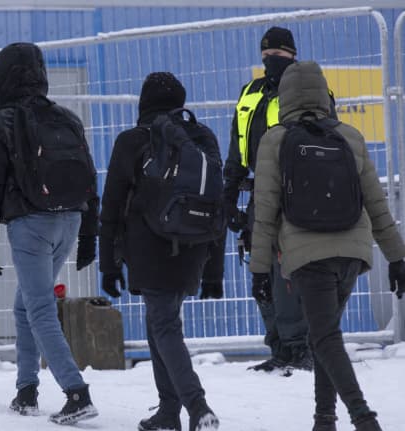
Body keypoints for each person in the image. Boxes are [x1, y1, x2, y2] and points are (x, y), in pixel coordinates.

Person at [250, 60, 405, 431]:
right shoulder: (349, 136)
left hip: (307, 256)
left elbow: (265, 211)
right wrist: (396, 257)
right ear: (325, 94)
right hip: (352, 252)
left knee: (324, 336)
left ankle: (363, 418)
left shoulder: (275, 139)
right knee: (325, 333)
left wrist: (259, 271)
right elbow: (377, 203)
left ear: (285, 97)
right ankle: (324, 419)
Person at [0, 42, 100, 425]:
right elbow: (90, 179)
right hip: (70, 221)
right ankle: (26, 390)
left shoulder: (0, 122)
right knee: (24, 305)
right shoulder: (66, 117)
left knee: (40, 308)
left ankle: (77, 394)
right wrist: (88, 238)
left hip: (31, 224)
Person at [99, 72, 220, 431]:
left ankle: (197, 408)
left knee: (164, 324)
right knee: (160, 321)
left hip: (149, 246)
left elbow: (112, 205)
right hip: (195, 245)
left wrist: (108, 264)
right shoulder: (202, 137)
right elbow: (219, 203)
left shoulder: (132, 141)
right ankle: (169, 412)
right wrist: (214, 271)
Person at [220, 26, 337, 373]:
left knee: (289, 270)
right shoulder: (251, 93)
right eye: (267, 55)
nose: (272, 61)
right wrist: (229, 193)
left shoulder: (310, 93)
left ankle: (300, 346)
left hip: (298, 192)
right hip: (259, 193)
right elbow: (238, 144)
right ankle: (279, 345)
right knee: (261, 268)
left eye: (280, 55)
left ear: (293, 55)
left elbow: (329, 144)